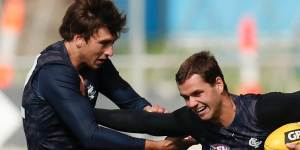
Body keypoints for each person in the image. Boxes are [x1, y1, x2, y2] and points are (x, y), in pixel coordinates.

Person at [21, 0, 179, 149]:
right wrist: (154, 146)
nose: (110, 52)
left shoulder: (95, 61)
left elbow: (130, 101)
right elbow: (90, 135)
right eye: (104, 43)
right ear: (79, 39)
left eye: (112, 43)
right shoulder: (53, 71)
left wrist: (151, 113)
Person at [93, 51, 300, 150]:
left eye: (197, 94)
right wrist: (86, 113)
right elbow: (145, 123)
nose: (191, 103)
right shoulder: (194, 121)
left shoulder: (264, 109)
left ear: (218, 84)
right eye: (185, 97)